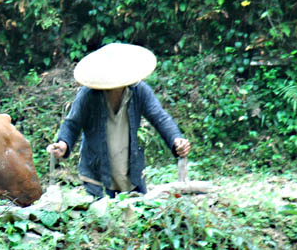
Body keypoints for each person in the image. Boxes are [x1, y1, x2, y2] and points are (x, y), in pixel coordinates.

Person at [47, 43, 191, 197]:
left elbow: (160, 117)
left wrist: (176, 140)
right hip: (97, 177)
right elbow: (72, 123)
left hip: (131, 175)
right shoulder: (89, 95)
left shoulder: (139, 91)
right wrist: (63, 144)